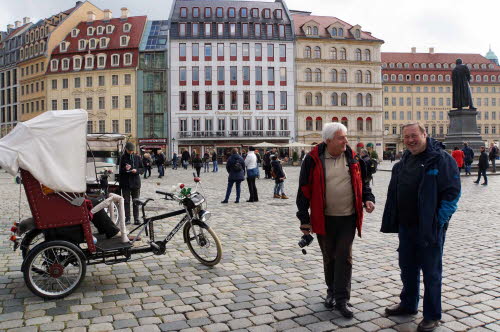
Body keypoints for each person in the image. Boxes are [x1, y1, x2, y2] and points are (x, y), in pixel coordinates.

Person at [382, 123, 461, 332]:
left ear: (425, 135)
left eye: (414, 135)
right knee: (407, 268)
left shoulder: (442, 159)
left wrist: (438, 221)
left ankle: (432, 315)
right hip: (406, 227)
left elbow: (452, 194)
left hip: (430, 228)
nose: (410, 140)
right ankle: (408, 304)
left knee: (431, 272)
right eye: (406, 137)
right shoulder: (403, 161)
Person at [297, 122, 375, 319]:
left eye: (346, 137)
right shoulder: (313, 159)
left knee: (344, 256)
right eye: (341, 138)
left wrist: (368, 199)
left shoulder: (353, 157)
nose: (346, 141)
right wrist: (304, 221)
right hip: (323, 218)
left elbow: (364, 183)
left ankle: (342, 299)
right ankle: (331, 291)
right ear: (329, 140)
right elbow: (304, 191)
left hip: (348, 217)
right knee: (329, 257)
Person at [119, 142, 144, 225]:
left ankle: (136, 218)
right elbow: (120, 171)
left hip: (135, 182)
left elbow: (142, 169)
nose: (131, 152)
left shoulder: (137, 157)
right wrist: (125, 168)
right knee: (126, 201)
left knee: (136, 201)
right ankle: (127, 218)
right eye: (129, 151)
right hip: (125, 183)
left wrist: (136, 170)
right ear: (126, 149)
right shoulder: (122, 157)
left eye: (132, 151)